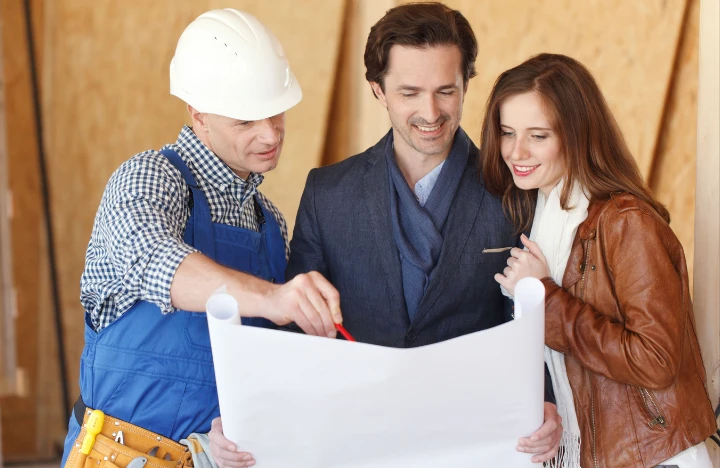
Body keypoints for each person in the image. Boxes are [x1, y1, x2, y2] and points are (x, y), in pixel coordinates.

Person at [210, 3, 562, 467]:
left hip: (477, 441)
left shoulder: (512, 189)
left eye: (445, 91)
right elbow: (297, 328)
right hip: (354, 442)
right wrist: (242, 420)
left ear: (466, 85)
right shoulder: (328, 192)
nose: (430, 112)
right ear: (378, 90)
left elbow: (530, 324)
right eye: (410, 92)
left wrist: (550, 402)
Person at [61, 9, 342, 468]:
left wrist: (232, 434)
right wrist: (273, 298)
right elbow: (154, 259)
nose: (270, 133)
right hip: (119, 457)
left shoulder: (270, 223)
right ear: (198, 114)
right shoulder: (148, 178)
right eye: (245, 121)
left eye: (274, 112)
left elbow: (255, 368)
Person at [489, 53, 717, 467]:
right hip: (580, 451)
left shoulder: (626, 222)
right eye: (507, 132)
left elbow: (657, 361)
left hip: (650, 457)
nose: (516, 151)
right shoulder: (532, 218)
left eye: (538, 136)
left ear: (576, 135)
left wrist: (548, 299)